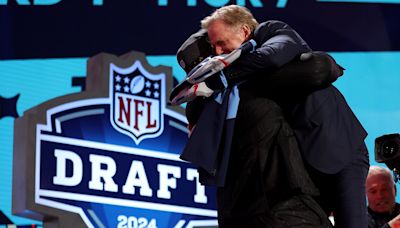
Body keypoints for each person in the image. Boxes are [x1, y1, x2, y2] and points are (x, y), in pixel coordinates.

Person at [179, 5, 369, 228]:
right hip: (305, 165)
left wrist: (221, 78)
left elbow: (284, 60)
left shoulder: (271, 32)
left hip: (338, 148)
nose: (218, 53)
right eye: (213, 48)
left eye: (221, 43)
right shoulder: (230, 90)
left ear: (244, 31)